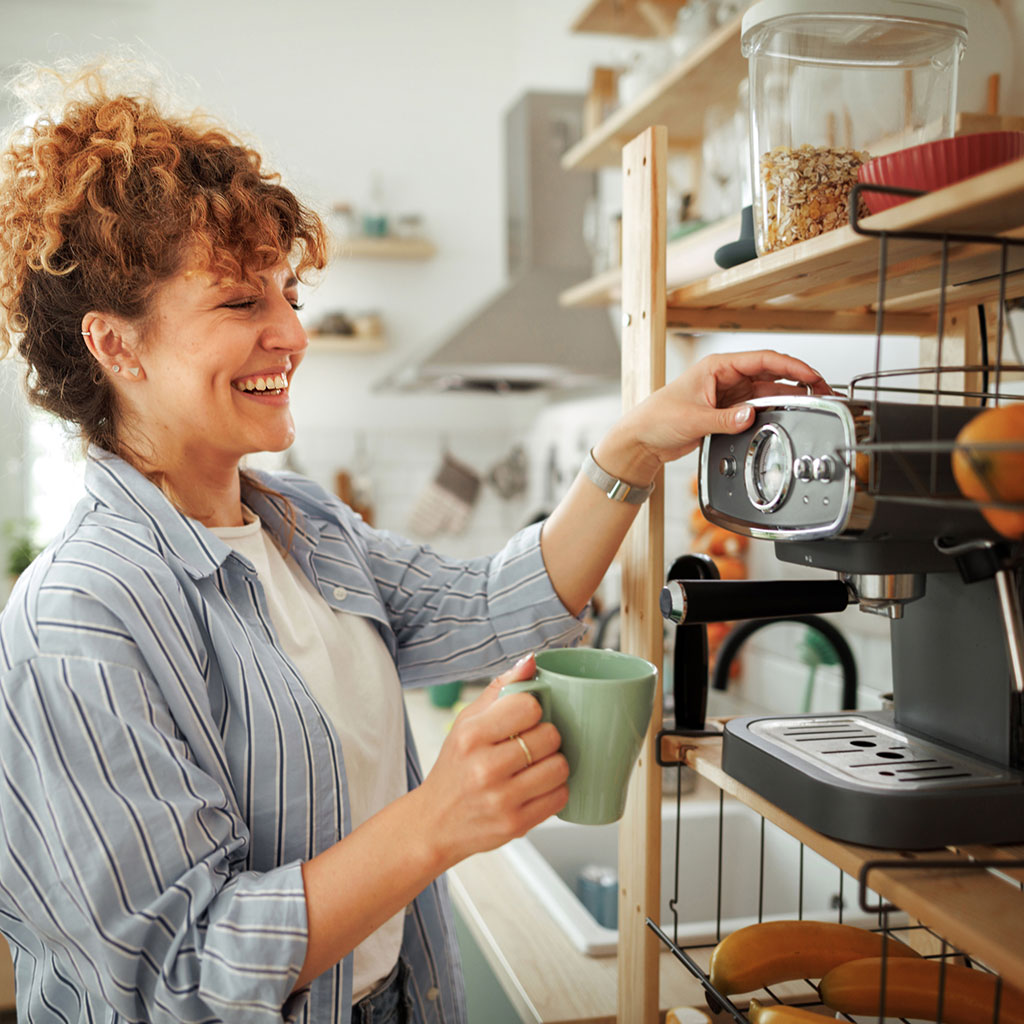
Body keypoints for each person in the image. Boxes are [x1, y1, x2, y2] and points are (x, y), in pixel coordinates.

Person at [0, 61, 828, 1024]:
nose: (289, 335)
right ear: (116, 345)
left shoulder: (299, 525)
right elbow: (180, 979)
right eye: (240, 303)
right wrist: (438, 822)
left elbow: (491, 607)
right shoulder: (77, 621)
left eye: (289, 296)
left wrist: (635, 443)